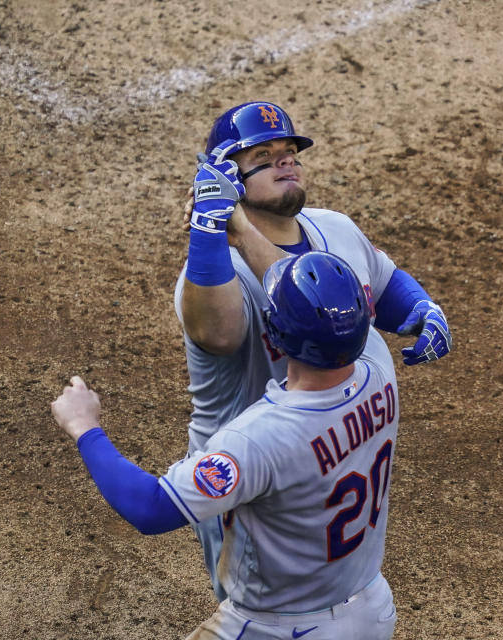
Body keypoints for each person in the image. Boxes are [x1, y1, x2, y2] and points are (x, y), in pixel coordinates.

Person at [177, 101, 452, 600]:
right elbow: (215, 333)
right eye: (263, 154)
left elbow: (383, 283)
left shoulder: (335, 228)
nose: (286, 161)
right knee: (269, 621)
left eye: (291, 151)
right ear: (229, 178)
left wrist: (421, 307)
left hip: (332, 453)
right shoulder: (217, 275)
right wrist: (212, 230)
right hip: (248, 476)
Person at [52, 251, 400, 639]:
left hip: (279, 630)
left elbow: (149, 508)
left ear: (276, 335)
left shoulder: (261, 438)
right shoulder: (379, 368)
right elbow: (333, 319)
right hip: (372, 610)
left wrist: (84, 425)